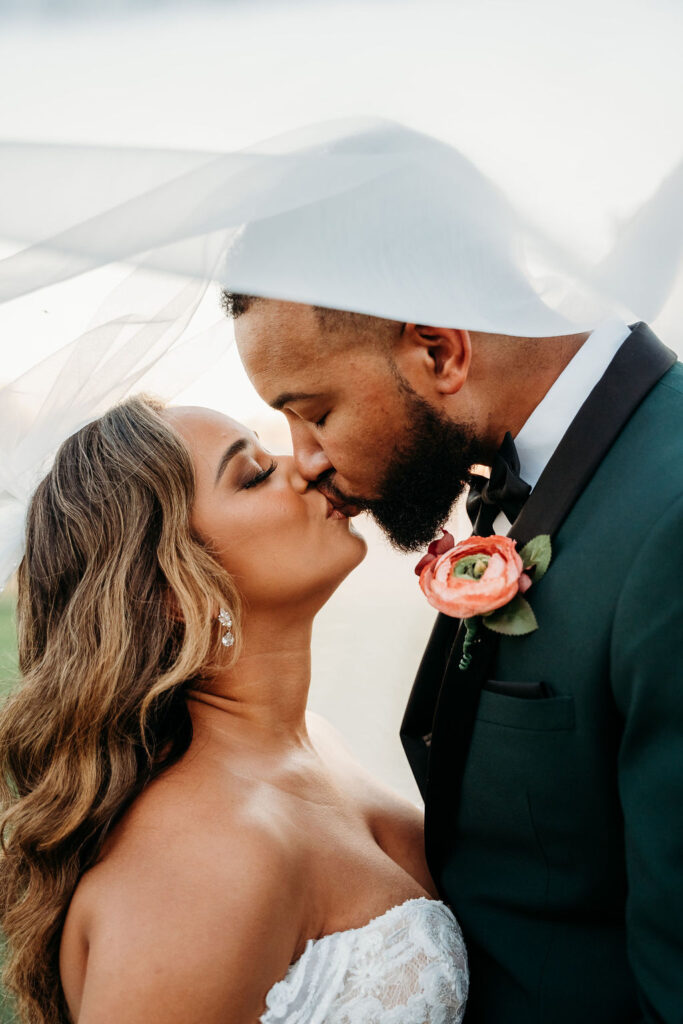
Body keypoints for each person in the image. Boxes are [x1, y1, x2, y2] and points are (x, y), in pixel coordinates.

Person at [225, 294, 683, 1023]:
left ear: (438, 353)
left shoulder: (670, 514)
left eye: (315, 412)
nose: (306, 458)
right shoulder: (550, 471)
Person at [0, 395, 468, 1024]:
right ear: (172, 589)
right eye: (253, 474)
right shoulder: (197, 871)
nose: (307, 465)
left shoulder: (317, 745)